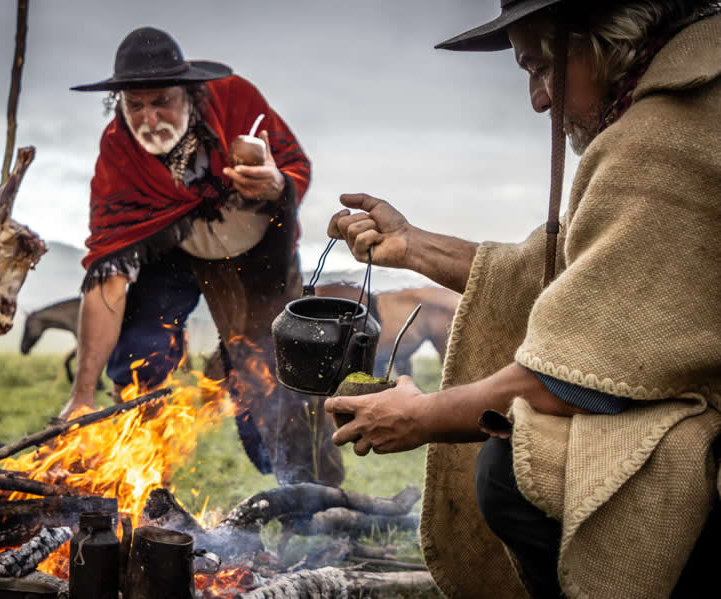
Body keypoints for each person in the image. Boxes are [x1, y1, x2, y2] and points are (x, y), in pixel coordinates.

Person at [325, 1, 721, 597]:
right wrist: (412, 247)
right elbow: (569, 272)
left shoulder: (663, 138)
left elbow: (578, 377)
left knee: (513, 470)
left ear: (604, 39)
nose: (538, 99)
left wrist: (422, 416)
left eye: (540, 67)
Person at [62, 26, 344, 488]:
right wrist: (82, 393)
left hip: (252, 250)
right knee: (139, 354)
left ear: (189, 93)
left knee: (271, 376)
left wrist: (275, 184)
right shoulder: (119, 153)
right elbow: (108, 274)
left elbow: (294, 166)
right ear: (119, 107)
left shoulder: (237, 101)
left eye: (162, 102)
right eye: (136, 106)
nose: (150, 118)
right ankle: (146, 491)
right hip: (167, 245)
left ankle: (313, 498)